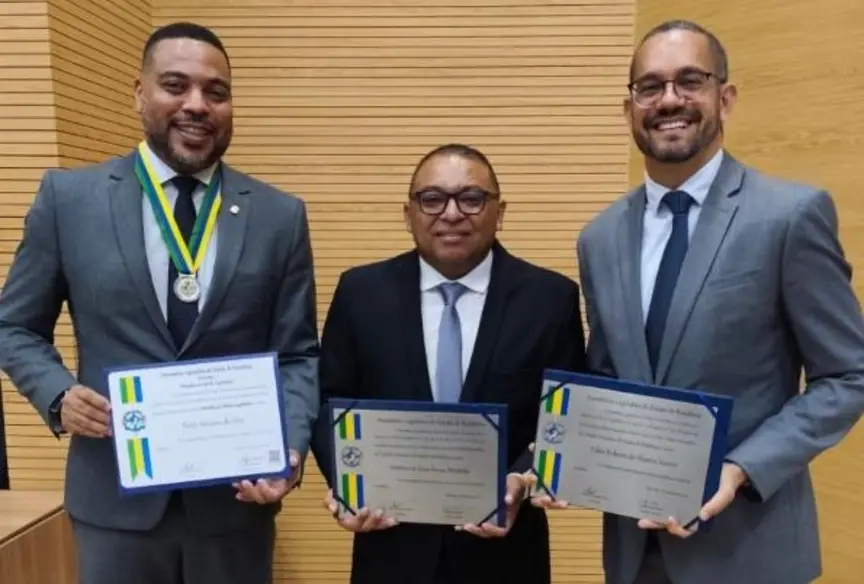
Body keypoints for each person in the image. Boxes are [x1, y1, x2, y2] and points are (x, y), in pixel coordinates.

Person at [533, 18, 864, 584]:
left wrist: (740, 468)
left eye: (690, 81)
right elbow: (609, 374)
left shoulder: (790, 216)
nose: (669, 100)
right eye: (650, 86)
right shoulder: (600, 237)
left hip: (750, 551)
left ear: (725, 97)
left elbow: (848, 376)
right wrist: (559, 459)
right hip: (637, 554)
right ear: (629, 107)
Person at [0, 22, 320, 584]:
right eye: (176, 85)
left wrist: (290, 450)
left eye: (215, 92)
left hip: (233, 508)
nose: (196, 104)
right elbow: (13, 327)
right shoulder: (69, 200)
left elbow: (297, 355)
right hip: (113, 506)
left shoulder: (279, 216)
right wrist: (57, 395)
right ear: (140, 93)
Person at [309, 143, 587, 584]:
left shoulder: (550, 299)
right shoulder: (361, 292)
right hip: (390, 545)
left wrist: (521, 479)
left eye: (472, 198)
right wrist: (349, 482)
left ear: (500, 211)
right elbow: (328, 401)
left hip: (505, 553)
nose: (452, 213)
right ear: (408, 214)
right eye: (432, 199)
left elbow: (564, 417)